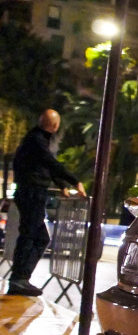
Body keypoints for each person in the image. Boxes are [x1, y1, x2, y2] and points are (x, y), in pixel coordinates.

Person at [8, 110, 83, 297]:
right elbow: (50, 162)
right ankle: (19, 279)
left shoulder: (36, 139)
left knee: (39, 237)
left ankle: (21, 278)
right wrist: (74, 181)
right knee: (30, 234)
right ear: (55, 126)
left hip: (32, 192)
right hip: (31, 192)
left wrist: (61, 185)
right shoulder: (36, 140)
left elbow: (44, 167)